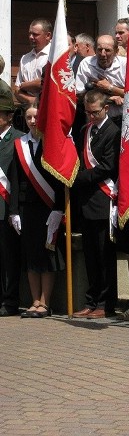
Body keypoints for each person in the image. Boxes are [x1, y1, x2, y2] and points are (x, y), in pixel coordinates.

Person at [9, 106, 65, 318]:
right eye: (29, 117)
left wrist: (59, 208)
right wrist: (14, 210)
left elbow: (60, 179)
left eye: (36, 117)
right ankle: (34, 300)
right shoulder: (19, 144)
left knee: (47, 253)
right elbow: (15, 179)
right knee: (31, 255)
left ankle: (45, 302)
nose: (33, 121)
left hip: (48, 206)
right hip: (27, 207)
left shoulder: (52, 142)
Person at [72, 90, 120, 319]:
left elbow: (108, 166)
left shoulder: (114, 131)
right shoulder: (85, 130)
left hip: (103, 199)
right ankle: (91, 300)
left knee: (104, 256)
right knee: (90, 256)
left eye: (95, 112)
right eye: (88, 112)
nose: (91, 117)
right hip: (86, 201)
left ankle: (105, 302)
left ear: (106, 109)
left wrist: (79, 178)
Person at [0, 84, 23, 317]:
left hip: (7, 206)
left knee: (10, 258)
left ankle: (10, 300)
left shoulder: (18, 140)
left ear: (8, 116)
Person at [75, 34, 127, 127]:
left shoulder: (126, 65)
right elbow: (80, 94)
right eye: (99, 50)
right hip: (96, 121)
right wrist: (109, 98)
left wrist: (110, 88)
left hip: (122, 120)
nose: (103, 54)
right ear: (94, 50)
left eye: (107, 50)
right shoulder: (86, 64)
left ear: (116, 51)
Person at [13, 19, 52, 108]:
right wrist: (32, 100)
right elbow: (17, 89)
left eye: (35, 34)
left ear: (48, 35)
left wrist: (25, 85)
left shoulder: (54, 57)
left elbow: (46, 83)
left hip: (48, 108)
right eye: (30, 33)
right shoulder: (25, 58)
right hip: (28, 112)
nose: (31, 37)